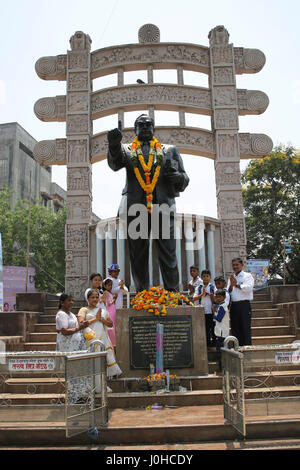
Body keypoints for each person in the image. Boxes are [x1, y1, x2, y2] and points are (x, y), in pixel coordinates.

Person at [107, 114, 189, 292]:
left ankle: (173, 294)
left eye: (148, 124)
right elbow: (115, 164)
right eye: (140, 124)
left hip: (163, 206)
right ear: (134, 128)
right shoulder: (126, 149)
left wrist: (177, 177)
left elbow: (185, 178)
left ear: (154, 127)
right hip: (135, 208)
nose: (144, 127)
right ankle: (142, 295)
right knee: (138, 255)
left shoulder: (170, 150)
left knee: (168, 253)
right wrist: (114, 145)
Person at [78, 289, 122, 386]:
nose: (95, 299)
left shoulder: (102, 311)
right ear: (87, 298)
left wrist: (101, 319)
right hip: (90, 340)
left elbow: (110, 324)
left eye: (97, 297)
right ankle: (92, 387)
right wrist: (95, 319)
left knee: (101, 363)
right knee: (92, 363)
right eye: (92, 297)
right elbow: (81, 323)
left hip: (103, 341)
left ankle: (101, 386)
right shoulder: (84, 310)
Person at [56, 293, 89, 403]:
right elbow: (64, 331)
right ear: (62, 302)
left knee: (77, 371)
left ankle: (79, 395)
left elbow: (76, 326)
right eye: (69, 300)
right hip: (67, 347)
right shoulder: (61, 315)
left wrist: (82, 325)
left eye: (72, 300)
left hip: (76, 346)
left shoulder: (70, 314)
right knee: (71, 371)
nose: (72, 303)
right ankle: (72, 397)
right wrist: (79, 328)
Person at [228, 257, 254, 346]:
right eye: (233, 265)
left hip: (244, 305)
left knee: (245, 328)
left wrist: (236, 285)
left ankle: (247, 350)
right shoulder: (231, 277)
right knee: (235, 328)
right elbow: (229, 291)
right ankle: (237, 348)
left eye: (237, 265)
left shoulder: (247, 276)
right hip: (234, 305)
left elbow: (248, 288)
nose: (235, 267)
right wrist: (231, 285)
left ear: (242, 265)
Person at [193, 269, 216, 347]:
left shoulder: (213, 287)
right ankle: (207, 344)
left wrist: (211, 295)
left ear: (210, 277)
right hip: (202, 311)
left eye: (207, 276)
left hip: (211, 311)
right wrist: (202, 294)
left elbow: (216, 299)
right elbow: (194, 298)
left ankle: (214, 343)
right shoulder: (198, 287)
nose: (205, 278)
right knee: (205, 328)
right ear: (201, 278)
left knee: (213, 328)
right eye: (204, 276)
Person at [213, 289, 230, 373]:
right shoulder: (221, 306)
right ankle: (223, 370)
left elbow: (219, 318)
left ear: (224, 297)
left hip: (222, 334)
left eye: (220, 297)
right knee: (221, 353)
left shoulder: (223, 306)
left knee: (221, 353)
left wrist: (214, 313)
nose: (218, 298)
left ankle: (223, 370)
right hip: (222, 332)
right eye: (216, 297)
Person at [102, 277, 118, 350]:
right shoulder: (105, 292)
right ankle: (111, 342)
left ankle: (114, 342)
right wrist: (114, 298)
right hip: (109, 309)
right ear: (104, 286)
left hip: (112, 309)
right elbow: (107, 302)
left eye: (111, 285)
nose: (110, 287)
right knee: (111, 326)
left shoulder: (109, 292)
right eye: (108, 285)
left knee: (114, 325)